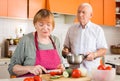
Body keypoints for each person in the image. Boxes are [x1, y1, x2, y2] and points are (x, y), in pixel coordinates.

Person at [8, 9, 64, 77]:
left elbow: (61, 64)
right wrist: (29, 68)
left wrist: (61, 68)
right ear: (35, 25)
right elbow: (12, 68)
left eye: (48, 25)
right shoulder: (26, 40)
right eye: (41, 24)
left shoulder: (56, 41)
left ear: (53, 26)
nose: (45, 28)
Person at [62, 3, 108, 72]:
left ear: (91, 15)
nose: (80, 15)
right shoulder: (71, 29)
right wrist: (65, 51)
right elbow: (66, 48)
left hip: (91, 71)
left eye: (83, 12)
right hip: (74, 71)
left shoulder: (97, 30)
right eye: (79, 12)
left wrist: (94, 55)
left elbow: (103, 50)